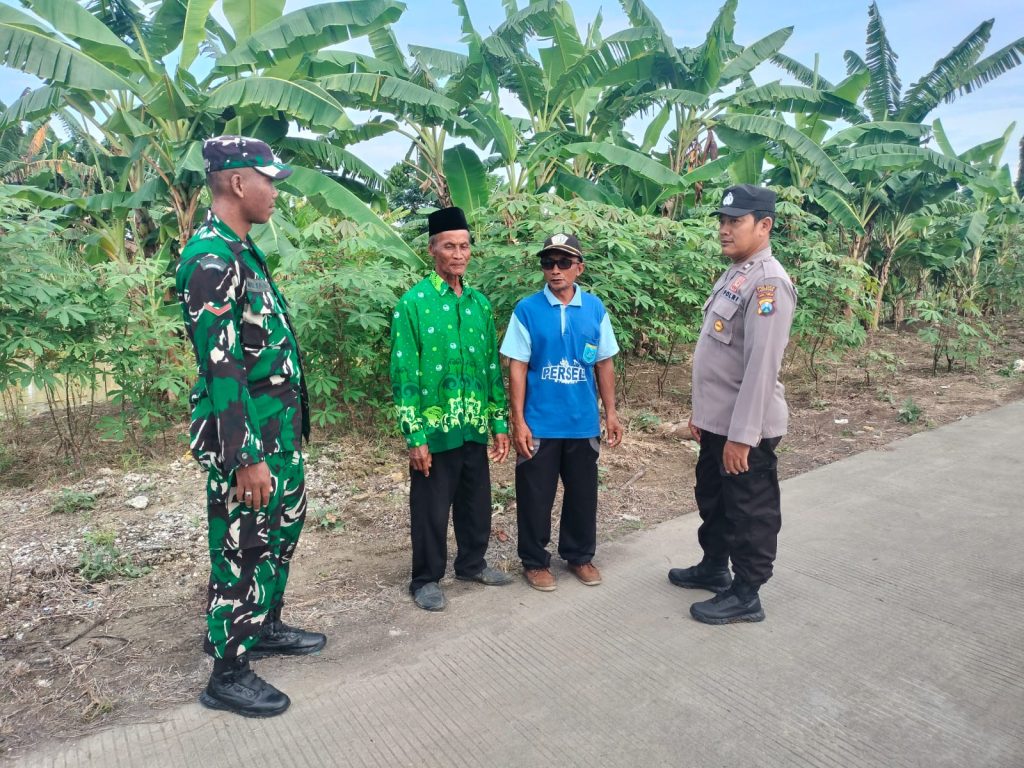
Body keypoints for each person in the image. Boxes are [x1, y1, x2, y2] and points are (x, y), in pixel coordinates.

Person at [176, 136, 325, 718]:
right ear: (238, 182)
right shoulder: (211, 258)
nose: (275, 191)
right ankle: (228, 671)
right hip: (249, 439)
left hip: (277, 431)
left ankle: (263, 624)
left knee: (280, 530)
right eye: (269, 179)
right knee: (241, 545)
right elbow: (222, 368)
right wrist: (245, 457)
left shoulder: (242, 250)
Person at [668, 184, 796, 625]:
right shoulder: (737, 272)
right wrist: (703, 415)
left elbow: (761, 368)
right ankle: (714, 567)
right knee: (716, 500)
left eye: (734, 221)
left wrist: (743, 437)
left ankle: (746, 593)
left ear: (764, 225)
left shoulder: (768, 283)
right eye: (722, 221)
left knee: (748, 510)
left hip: (746, 427)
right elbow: (719, 356)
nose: (724, 229)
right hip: (718, 421)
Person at [390, 206, 513, 612]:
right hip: (434, 426)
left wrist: (498, 421)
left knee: (476, 500)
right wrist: (414, 436)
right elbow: (404, 370)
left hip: (473, 423)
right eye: (449, 247)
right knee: (430, 506)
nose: (458, 254)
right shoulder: (413, 303)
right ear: (432, 250)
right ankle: (425, 579)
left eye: (464, 246)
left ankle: (472, 563)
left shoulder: (479, 304)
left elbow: (492, 366)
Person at [501, 233, 623, 592]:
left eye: (564, 263)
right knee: (535, 496)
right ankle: (535, 562)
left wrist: (611, 413)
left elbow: (604, 362)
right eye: (548, 263)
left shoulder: (595, 309)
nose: (555, 270)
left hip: (582, 421)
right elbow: (517, 366)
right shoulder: (527, 310)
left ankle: (579, 556)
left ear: (579, 268)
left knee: (583, 495)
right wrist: (519, 420)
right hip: (540, 423)